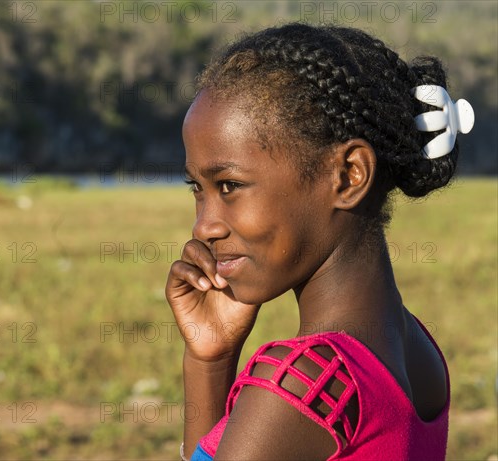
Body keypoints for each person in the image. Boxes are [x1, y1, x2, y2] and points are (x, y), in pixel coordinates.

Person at [165, 22, 474, 461]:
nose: (204, 227)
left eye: (230, 185)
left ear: (349, 175)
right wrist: (212, 359)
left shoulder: (301, 388)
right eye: (197, 188)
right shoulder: (415, 348)